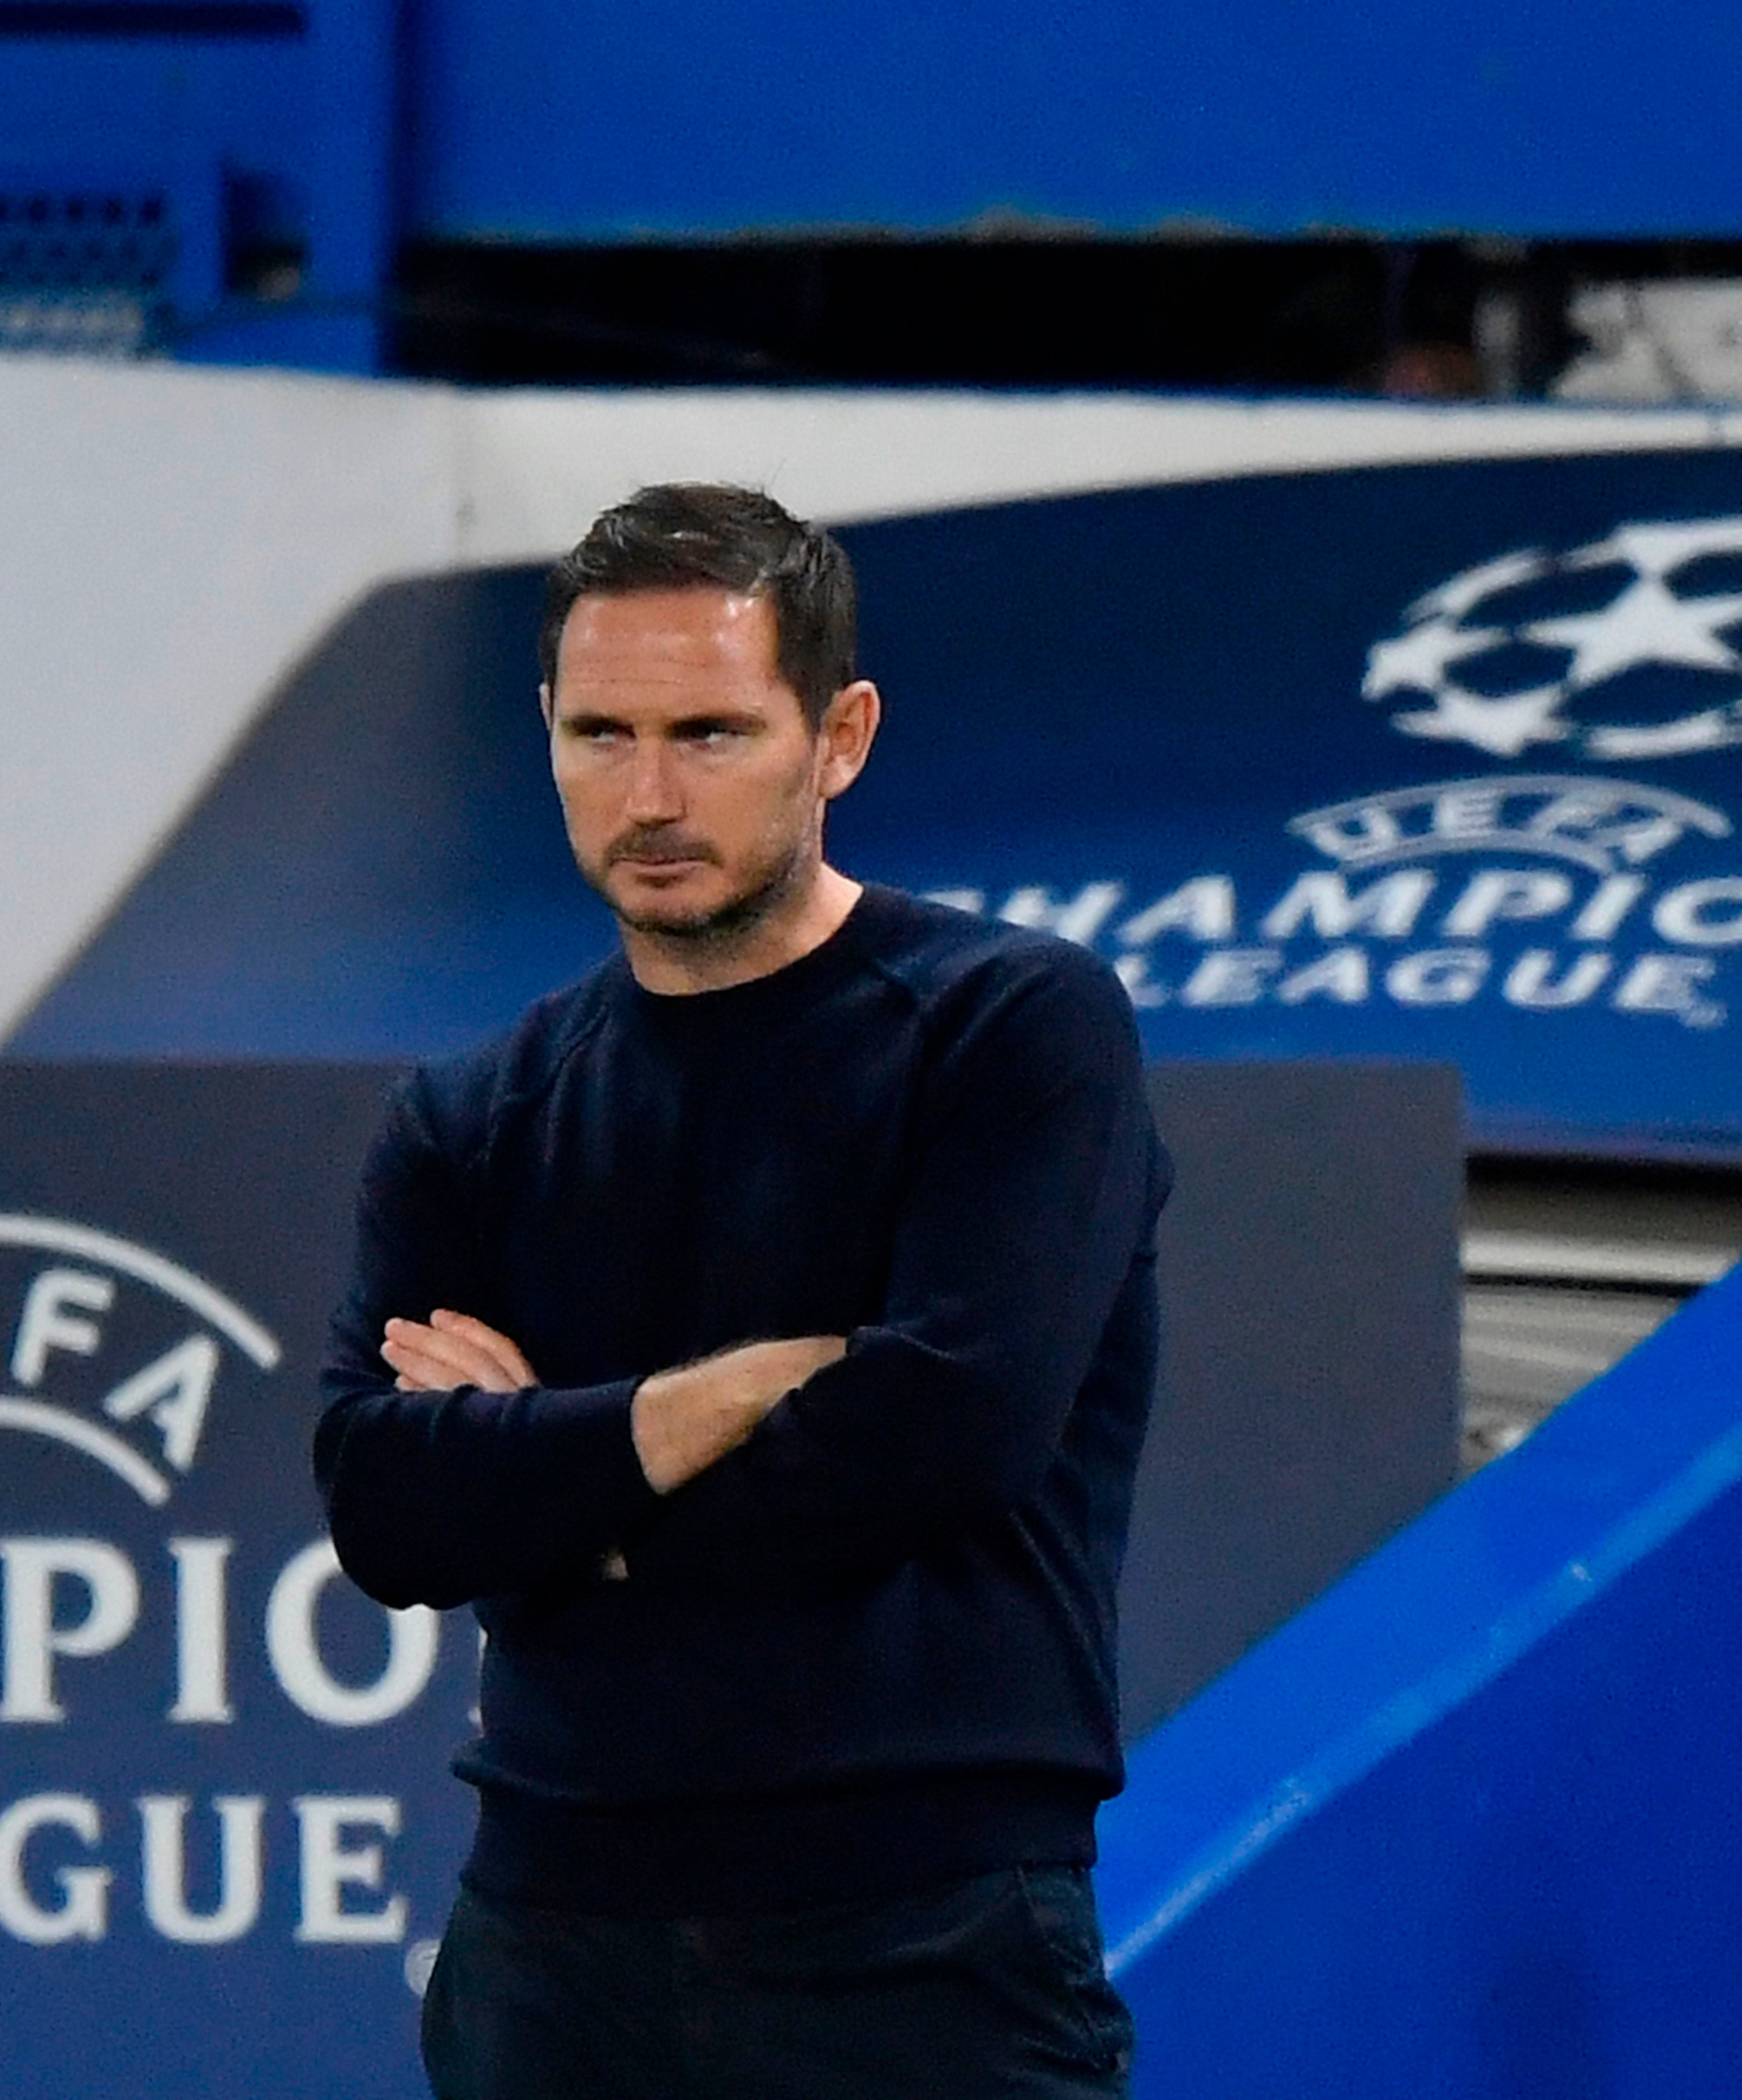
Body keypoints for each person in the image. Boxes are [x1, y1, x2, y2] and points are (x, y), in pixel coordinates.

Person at [313, 483, 1169, 2100]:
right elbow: (388, 1512)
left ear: (837, 737)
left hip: (921, 1930)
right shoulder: (473, 1110)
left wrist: (544, 1475)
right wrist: (695, 1408)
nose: (650, 795)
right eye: (602, 736)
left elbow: (946, 1440)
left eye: (710, 733)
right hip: (546, 1943)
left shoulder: (1013, 1028)